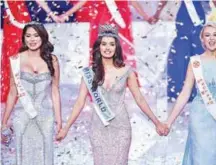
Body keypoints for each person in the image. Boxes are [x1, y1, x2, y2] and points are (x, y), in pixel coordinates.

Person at [56, 24, 167, 165]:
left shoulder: (127, 71)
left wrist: (157, 122)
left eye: (111, 44)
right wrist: (66, 128)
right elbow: (79, 103)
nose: (107, 48)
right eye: (104, 44)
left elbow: (139, 98)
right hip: (98, 126)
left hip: (121, 127)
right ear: (99, 47)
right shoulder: (89, 73)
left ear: (116, 48)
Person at [163, 22, 216, 165]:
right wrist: (169, 122)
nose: (211, 38)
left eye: (215, 35)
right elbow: (185, 94)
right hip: (200, 116)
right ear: (202, 39)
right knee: (201, 156)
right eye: (207, 35)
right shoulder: (195, 62)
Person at [1, 22, 62, 165]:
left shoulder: (52, 60)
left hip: (45, 116)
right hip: (22, 116)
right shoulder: (16, 60)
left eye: (36, 35)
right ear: (24, 38)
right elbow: (12, 92)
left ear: (43, 37)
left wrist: (59, 120)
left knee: (45, 156)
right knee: (23, 157)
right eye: (28, 36)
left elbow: (55, 91)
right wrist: (4, 121)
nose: (32, 39)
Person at [153, 0, 216, 102]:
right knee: (186, 49)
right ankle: (189, 91)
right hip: (190, 15)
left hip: (192, 16)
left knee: (191, 47)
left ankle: (186, 91)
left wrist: (156, 14)